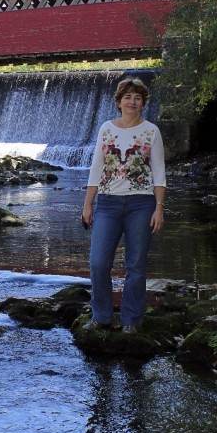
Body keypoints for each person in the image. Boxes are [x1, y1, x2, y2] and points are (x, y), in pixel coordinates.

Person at [81, 76, 166, 334]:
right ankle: (102, 316)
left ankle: (131, 321)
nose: (132, 101)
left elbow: (159, 172)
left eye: (137, 97)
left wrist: (159, 207)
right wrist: (88, 204)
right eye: (127, 97)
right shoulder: (107, 129)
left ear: (143, 103)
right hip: (107, 204)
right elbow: (96, 168)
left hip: (142, 204)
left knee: (136, 265)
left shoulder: (151, 131)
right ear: (119, 102)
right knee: (98, 263)